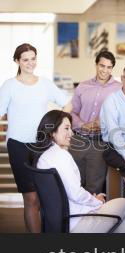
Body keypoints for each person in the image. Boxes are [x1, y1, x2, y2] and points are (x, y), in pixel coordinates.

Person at [0, 43, 71, 233]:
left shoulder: (45, 84)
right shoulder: (9, 85)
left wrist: (60, 130)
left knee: (45, 196)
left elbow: (67, 104)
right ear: (17, 61)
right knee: (30, 198)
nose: (30, 63)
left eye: (33, 58)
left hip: (42, 146)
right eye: (25, 59)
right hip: (18, 146)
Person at [34, 110, 125, 233]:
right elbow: (76, 194)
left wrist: (91, 200)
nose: (71, 133)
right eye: (66, 129)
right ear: (52, 132)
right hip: (77, 222)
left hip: (61, 220)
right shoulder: (62, 156)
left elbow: (70, 191)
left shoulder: (44, 157)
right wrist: (96, 201)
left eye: (71, 129)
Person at [69, 51, 122, 194]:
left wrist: (105, 123)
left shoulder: (119, 89)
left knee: (94, 188)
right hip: (78, 141)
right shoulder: (82, 86)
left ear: (112, 69)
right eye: (102, 66)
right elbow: (72, 112)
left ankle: (91, 216)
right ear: (96, 65)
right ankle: (75, 217)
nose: (105, 70)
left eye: (109, 67)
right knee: (73, 184)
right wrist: (82, 124)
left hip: (100, 143)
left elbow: (121, 116)